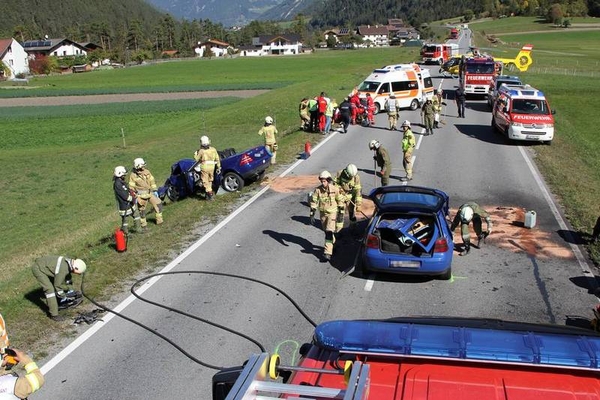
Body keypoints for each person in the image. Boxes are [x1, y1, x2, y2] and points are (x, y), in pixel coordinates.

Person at [31, 256, 86, 321]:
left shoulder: (69, 263)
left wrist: (71, 291)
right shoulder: (63, 269)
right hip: (39, 269)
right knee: (49, 289)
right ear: (75, 268)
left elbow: (67, 279)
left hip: (47, 266)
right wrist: (65, 295)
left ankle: (58, 302)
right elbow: (58, 286)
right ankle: (54, 314)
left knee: (58, 282)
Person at [309, 171, 345, 261]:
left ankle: (327, 253)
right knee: (326, 232)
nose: (323, 183)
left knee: (329, 232)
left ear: (328, 180)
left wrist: (340, 214)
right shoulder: (317, 190)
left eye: (324, 181)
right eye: (321, 181)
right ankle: (333, 245)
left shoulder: (335, 189)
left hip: (332, 214)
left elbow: (340, 202)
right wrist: (312, 214)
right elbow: (314, 202)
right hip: (322, 214)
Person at [129, 158, 163, 226]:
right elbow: (131, 187)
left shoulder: (147, 171)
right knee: (142, 211)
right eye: (142, 165)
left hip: (150, 193)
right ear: (138, 166)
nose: (144, 167)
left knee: (158, 204)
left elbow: (152, 181)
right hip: (140, 196)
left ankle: (159, 221)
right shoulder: (133, 175)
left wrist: (155, 190)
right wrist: (134, 197)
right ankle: (143, 224)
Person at [113, 166, 142, 235]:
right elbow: (124, 195)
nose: (125, 176)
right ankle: (126, 234)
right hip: (124, 205)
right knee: (125, 221)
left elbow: (127, 189)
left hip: (130, 204)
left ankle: (139, 230)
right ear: (120, 174)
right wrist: (132, 198)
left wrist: (133, 192)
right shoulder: (117, 184)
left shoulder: (121, 182)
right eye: (124, 174)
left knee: (136, 215)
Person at [193, 135, 221, 201]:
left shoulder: (201, 151)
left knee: (205, 180)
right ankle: (209, 191)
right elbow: (217, 159)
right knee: (210, 179)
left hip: (205, 167)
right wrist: (218, 166)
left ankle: (209, 193)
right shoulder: (213, 149)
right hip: (212, 166)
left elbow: (197, 159)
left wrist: (195, 154)